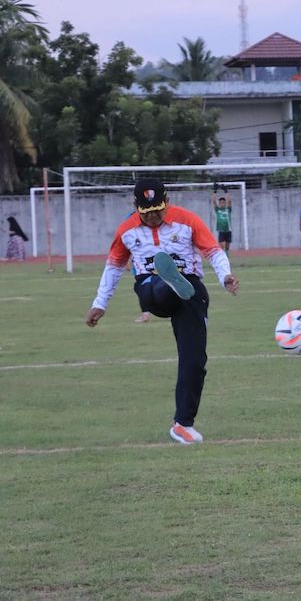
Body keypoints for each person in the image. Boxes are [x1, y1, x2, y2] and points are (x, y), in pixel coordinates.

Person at [85, 179, 240, 444]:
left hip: (190, 290)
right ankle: (168, 281)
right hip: (149, 288)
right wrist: (100, 303)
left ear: (167, 201)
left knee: (195, 361)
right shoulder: (126, 230)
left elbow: (213, 252)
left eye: (159, 209)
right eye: (147, 212)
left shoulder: (188, 220)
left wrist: (226, 276)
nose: (155, 216)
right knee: (155, 287)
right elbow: (113, 267)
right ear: (136, 207)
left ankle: (182, 425)